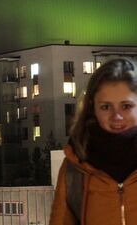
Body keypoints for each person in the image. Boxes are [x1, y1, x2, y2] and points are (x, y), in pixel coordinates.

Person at [50, 58, 137, 225]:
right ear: (92, 107)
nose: (116, 117)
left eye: (126, 106)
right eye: (106, 107)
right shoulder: (75, 168)